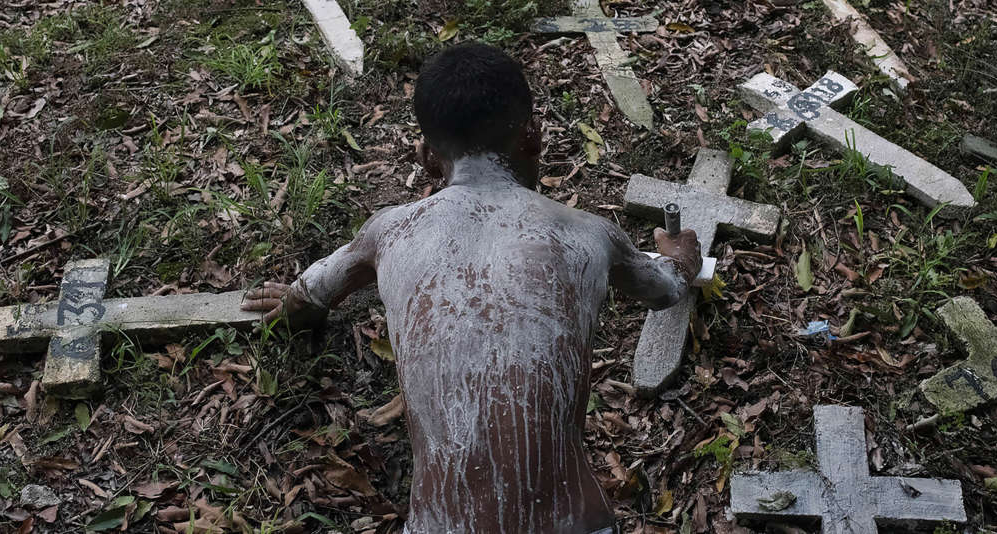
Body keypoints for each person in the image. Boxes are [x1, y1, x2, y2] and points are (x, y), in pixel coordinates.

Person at [243, 43, 701, 534]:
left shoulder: (388, 232)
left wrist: (293, 305)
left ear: (425, 158)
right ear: (535, 138)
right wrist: (678, 257)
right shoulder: (587, 234)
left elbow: (309, 294)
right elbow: (667, 289)